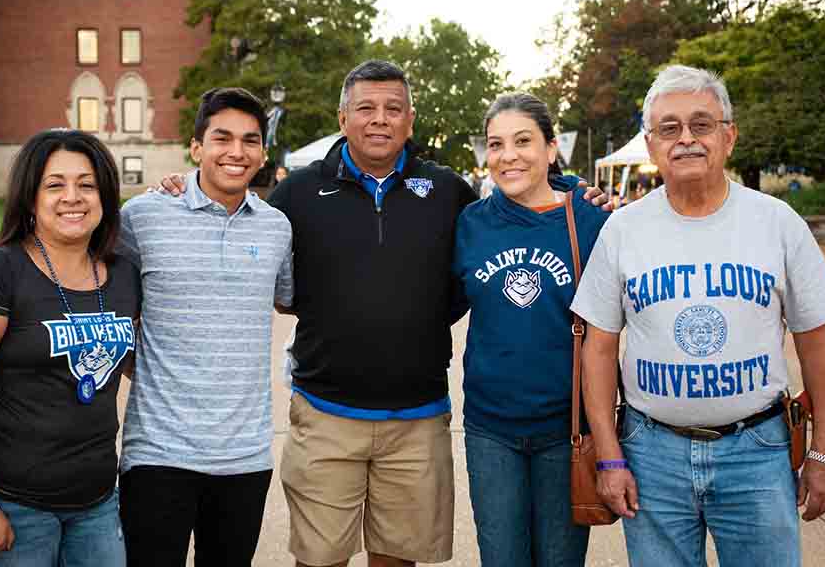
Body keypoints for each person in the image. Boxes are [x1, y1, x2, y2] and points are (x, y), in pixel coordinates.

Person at [157, 60, 609, 566]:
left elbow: (519, 202)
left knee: (397, 560)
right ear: (343, 117)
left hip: (416, 419)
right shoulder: (297, 193)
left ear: (410, 120)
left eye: (393, 109)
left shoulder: (447, 191)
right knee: (320, 559)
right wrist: (182, 187)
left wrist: (575, 188)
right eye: (365, 108)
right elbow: (240, 216)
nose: (379, 119)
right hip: (325, 414)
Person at [570, 65, 825, 567]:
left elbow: (816, 341)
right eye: (669, 129)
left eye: (701, 124)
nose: (686, 140)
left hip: (758, 451)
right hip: (651, 455)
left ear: (729, 135)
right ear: (652, 145)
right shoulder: (623, 230)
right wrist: (609, 455)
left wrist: (824, 452)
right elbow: (599, 347)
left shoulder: (777, 223)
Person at [0, 128, 140, 566]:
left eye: (87, 184)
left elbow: (130, 360)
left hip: (97, 502)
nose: (73, 196)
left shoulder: (123, 273)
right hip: (12, 502)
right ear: (29, 198)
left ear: (105, 195)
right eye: (55, 185)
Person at [116, 87, 294, 566]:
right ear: (196, 148)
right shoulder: (141, 217)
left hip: (245, 455)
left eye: (250, 140)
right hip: (158, 452)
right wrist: (147, 366)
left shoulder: (277, 227)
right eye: (222, 138)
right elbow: (103, 303)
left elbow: (289, 300)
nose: (236, 152)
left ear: (262, 153)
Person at [452, 93, 609, 566]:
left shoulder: (590, 218)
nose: (509, 155)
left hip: (567, 430)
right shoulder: (472, 224)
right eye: (496, 145)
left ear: (550, 147)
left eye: (523, 141)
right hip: (490, 429)